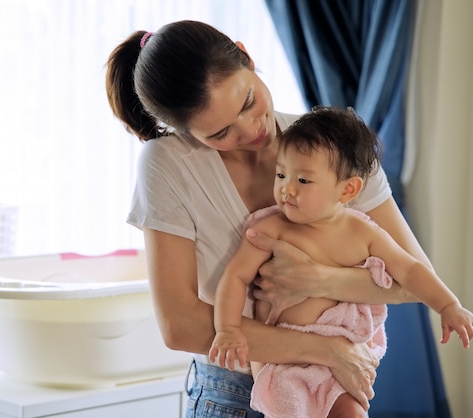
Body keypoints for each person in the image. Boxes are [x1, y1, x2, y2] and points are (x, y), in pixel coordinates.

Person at [105, 20, 432, 418]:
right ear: (186, 132)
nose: (251, 129)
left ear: (246, 56)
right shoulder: (169, 164)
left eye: (247, 102)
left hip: (334, 386)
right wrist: (325, 349)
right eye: (220, 133)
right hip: (234, 395)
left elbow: (414, 280)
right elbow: (179, 325)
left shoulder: (334, 146)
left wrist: (316, 279)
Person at [208, 106, 473, 418]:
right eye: (281, 174)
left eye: (303, 180)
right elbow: (235, 277)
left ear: (347, 189)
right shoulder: (270, 229)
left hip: (341, 362)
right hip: (285, 358)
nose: (286, 188)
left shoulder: (363, 232)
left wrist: (448, 305)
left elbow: (410, 269)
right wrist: (227, 329)